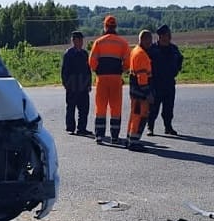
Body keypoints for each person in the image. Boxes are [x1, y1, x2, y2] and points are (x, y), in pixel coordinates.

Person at [88, 15, 130, 145]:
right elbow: (128, 63)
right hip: (116, 78)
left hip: (102, 78)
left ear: (105, 26)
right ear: (115, 26)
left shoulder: (99, 42)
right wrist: (119, 70)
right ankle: (115, 137)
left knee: (100, 107)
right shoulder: (123, 43)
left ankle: (99, 136)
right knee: (115, 108)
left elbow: (91, 62)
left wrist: (98, 70)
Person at [147, 24, 184, 136]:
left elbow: (180, 59)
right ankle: (150, 127)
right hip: (156, 83)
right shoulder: (152, 49)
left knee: (168, 108)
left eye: (169, 35)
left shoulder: (173, 49)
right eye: (166, 35)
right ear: (160, 36)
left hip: (169, 83)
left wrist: (176, 70)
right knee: (153, 108)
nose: (168, 37)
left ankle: (168, 127)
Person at [126, 30, 154, 152]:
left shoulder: (135, 51)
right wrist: (148, 94)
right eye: (149, 40)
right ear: (143, 39)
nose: (151, 43)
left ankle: (130, 139)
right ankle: (134, 142)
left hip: (135, 91)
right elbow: (142, 78)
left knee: (133, 116)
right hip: (140, 93)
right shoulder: (141, 54)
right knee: (139, 117)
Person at [61, 31, 92, 136]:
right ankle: (70, 128)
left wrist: (89, 84)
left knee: (84, 108)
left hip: (83, 84)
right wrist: (65, 83)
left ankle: (82, 128)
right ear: (73, 41)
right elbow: (64, 71)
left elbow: (88, 70)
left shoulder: (84, 54)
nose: (81, 42)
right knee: (71, 107)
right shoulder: (68, 54)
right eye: (78, 40)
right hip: (72, 85)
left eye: (81, 40)